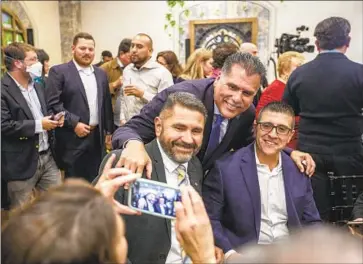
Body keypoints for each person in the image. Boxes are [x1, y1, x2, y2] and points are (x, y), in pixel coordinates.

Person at [112, 52, 316, 177]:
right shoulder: (180, 97)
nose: (237, 98)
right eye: (232, 87)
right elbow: (128, 130)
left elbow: (254, 145)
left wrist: (290, 153)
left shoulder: (246, 114)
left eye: (247, 93)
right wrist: (134, 145)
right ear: (217, 78)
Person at [95, 92, 223, 263]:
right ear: (158, 126)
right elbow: (95, 236)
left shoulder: (195, 167)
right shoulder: (126, 162)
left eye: (196, 131)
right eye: (179, 128)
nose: (187, 139)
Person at [203, 102, 321, 261]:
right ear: (255, 127)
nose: (273, 134)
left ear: (290, 135)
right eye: (266, 126)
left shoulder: (298, 169)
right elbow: (210, 219)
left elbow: (312, 221)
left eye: (282, 129)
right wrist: (229, 253)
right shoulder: (226, 168)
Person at [283, 17, 363, 221]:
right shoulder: (359, 73)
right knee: (350, 216)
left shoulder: (299, 75)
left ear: (317, 44)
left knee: (313, 216)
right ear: (348, 42)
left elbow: (286, 113)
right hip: (349, 154)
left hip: (309, 155)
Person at [46, 32, 113, 182]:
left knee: (96, 179)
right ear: (73, 48)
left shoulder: (101, 73)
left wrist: (109, 131)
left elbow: (106, 103)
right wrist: (74, 123)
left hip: (97, 138)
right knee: (74, 183)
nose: (87, 52)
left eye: (90, 49)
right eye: (82, 48)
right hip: (72, 138)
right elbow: (53, 103)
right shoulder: (59, 72)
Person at [1, 42, 62, 208]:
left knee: (57, 208)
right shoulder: (3, 89)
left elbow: (44, 110)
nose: (39, 64)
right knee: (22, 216)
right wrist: (39, 125)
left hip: (48, 157)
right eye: (33, 59)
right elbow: (4, 125)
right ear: (18, 63)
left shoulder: (38, 84)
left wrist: (55, 118)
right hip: (21, 162)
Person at [120, 33, 173, 124]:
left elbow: (168, 104)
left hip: (150, 128)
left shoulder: (162, 73)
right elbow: (123, 97)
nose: (134, 50)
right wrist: (122, 119)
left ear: (150, 51)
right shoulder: (127, 70)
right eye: (132, 46)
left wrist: (143, 94)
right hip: (128, 126)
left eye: (139, 47)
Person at [256, 51, 305, 149]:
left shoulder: (289, 88)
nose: (303, 71)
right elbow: (262, 118)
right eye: (298, 66)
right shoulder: (275, 89)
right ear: (285, 70)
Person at [100, 38, 132, 129]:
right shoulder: (105, 68)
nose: (133, 60)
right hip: (110, 118)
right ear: (121, 54)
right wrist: (115, 84)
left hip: (128, 117)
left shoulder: (133, 69)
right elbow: (96, 91)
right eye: (130, 57)